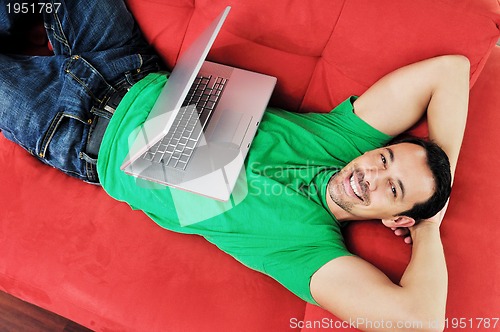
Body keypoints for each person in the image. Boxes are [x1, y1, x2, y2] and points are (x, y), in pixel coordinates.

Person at [0, 1, 469, 331]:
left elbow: (419, 323)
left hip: (74, 131)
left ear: (397, 218)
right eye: (385, 159)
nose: (371, 176)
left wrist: (431, 223)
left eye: (393, 190)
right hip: (125, 64)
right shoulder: (339, 141)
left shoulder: (306, 249)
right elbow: (448, 72)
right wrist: (439, 170)